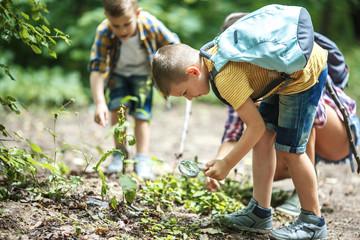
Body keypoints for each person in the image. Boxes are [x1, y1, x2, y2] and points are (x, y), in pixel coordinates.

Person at [151, 16, 329, 239]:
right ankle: (260, 212)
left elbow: (256, 127)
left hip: (303, 74)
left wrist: (227, 163)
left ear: (193, 72)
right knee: (264, 142)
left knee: (290, 150)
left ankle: (313, 221)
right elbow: (259, 132)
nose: (189, 99)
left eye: (185, 92)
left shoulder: (225, 78)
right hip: (282, 78)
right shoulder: (212, 55)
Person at [205, 12, 360, 217]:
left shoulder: (282, 58)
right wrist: (218, 165)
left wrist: (264, 107)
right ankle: (261, 209)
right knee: (268, 162)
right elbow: (233, 133)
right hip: (300, 137)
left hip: (336, 133)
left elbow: (315, 114)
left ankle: (303, 199)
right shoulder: (234, 78)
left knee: (297, 118)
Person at [88, 0, 180, 178]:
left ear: (137, 14)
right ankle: (119, 154)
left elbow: (174, 45)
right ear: (106, 17)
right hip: (117, 74)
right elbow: (97, 69)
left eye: (127, 24)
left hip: (144, 74)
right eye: (116, 25)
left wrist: (171, 75)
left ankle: (142, 159)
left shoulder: (150, 24)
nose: (122, 30)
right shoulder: (104, 31)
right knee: (117, 109)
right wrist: (99, 103)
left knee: (142, 114)